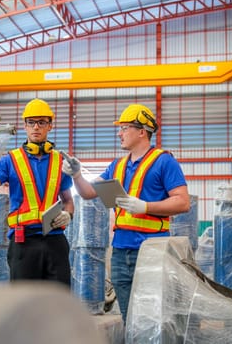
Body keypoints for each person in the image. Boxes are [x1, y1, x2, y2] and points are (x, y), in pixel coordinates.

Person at [62, 104, 190, 322]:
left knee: (153, 317)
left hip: (151, 250)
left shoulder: (164, 161)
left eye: (124, 128)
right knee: (129, 316)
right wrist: (76, 175)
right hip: (121, 251)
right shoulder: (117, 166)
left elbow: (183, 202)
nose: (119, 133)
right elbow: (88, 193)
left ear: (142, 131)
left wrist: (146, 207)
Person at [0, 98, 74, 287]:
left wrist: (68, 215)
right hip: (23, 241)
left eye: (41, 122)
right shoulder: (10, 160)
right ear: (25, 126)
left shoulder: (60, 161)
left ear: (50, 126)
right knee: (25, 302)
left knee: (59, 301)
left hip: (55, 239)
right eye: (31, 122)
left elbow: (68, 201)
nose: (36, 127)